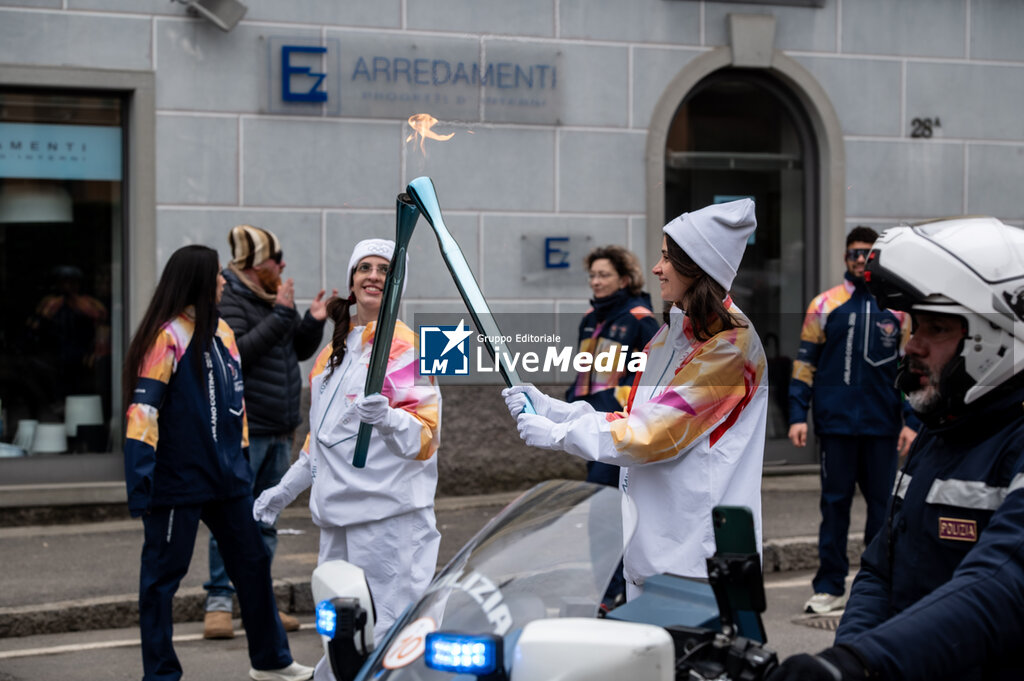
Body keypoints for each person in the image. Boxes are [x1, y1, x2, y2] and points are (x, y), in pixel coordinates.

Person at [767, 216, 1024, 681]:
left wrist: (862, 664)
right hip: (839, 425)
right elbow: (880, 569)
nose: (913, 345)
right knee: (838, 507)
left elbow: (1000, 582)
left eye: (937, 329)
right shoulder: (942, 428)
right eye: (916, 326)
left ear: (998, 339)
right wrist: (846, 656)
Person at [504, 199, 768, 600]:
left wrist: (561, 434)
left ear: (696, 268)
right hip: (651, 548)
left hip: (697, 559)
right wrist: (555, 408)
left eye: (667, 258)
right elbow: (633, 416)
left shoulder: (731, 350)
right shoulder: (669, 336)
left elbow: (652, 435)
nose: (658, 269)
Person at [123, 245, 312, 681]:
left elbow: (236, 408)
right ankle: (161, 675)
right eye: (216, 277)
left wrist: (240, 465)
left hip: (228, 481)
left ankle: (271, 660)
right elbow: (143, 414)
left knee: (253, 564)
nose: (223, 282)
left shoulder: (222, 332)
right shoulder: (166, 336)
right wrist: (141, 485)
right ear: (197, 282)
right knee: (160, 582)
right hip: (176, 482)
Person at [253, 238, 442, 656]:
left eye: (384, 270)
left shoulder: (409, 348)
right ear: (351, 282)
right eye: (364, 268)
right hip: (336, 519)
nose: (373, 276)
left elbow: (425, 438)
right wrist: (283, 491)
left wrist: (390, 418)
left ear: (397, 285)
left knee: (392, 634)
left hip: (389, 520)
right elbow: (319, 444)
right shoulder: (332, 354)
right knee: (340, 639)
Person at [203, 224, 335, 639]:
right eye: (276, 260)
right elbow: (237, 353)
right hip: (245, 427)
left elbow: (292, 349)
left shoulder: (269, 295)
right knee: (232, 516)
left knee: (265, 518)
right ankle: (219, 604)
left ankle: (259, 604)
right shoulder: (230, 296)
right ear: (256, 264)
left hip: (279, 425)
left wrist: (311, 322)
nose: (283, 265)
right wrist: (281, 313)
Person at [788, 226, 919, 615]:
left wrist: (911, 421)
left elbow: (911, 369)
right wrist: (798, 415)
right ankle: (829, 586)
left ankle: (876, 587)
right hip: (836, 426)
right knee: (834, 507)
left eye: (867, 254)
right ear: (846, 257)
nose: (860, 260)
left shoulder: (898, 310)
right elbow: (804, 364)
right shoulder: (824, 304)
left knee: (882, 510)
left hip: (883, 428)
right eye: (854, 253)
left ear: (876, 259)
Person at [567, 245, 660, 487]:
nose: (595, 282)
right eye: (593, 275)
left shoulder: (640, 318)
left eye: (604, 275)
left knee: (600, 486)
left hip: (616, 420)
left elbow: (651, 371)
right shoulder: (590, 317)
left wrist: (619, 402)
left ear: (624, 280)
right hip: (587, 415)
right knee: (601, 489)